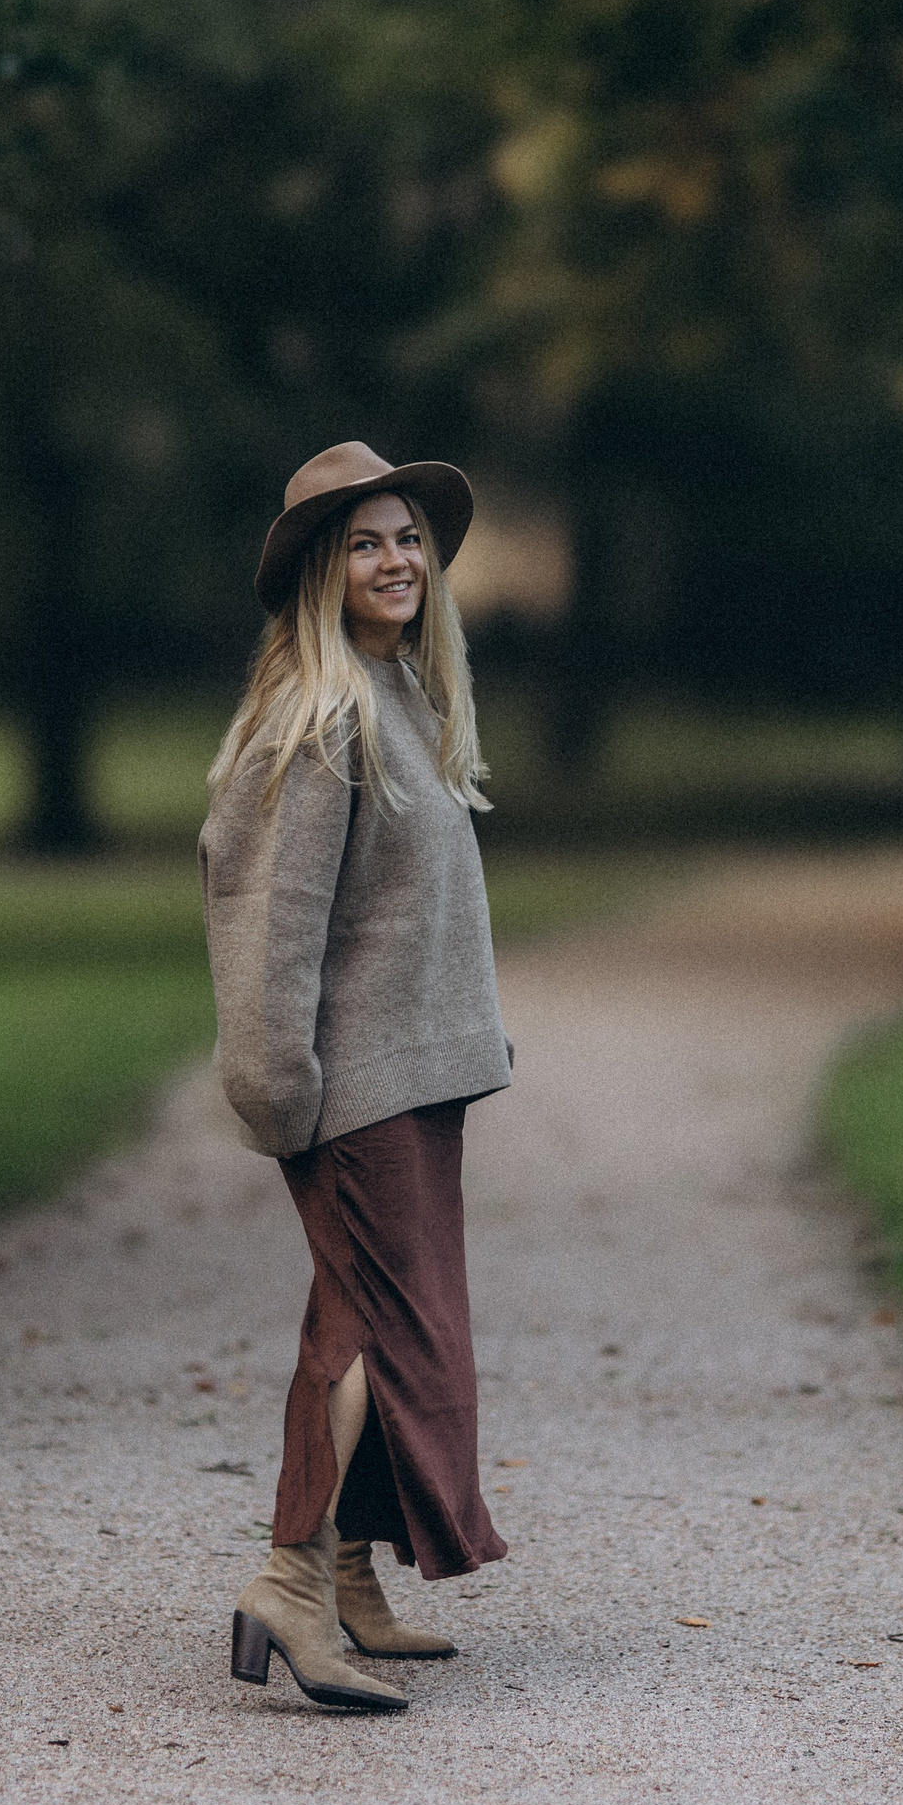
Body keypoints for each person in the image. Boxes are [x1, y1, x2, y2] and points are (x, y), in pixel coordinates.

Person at [199, 439, 513, 1714]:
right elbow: (271, 922)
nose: (397, 561)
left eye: (408, 539)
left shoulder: (400, 701)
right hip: (349, 1091)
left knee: (383, 1325)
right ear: (323, 573)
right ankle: (290, 1580)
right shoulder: (319, 721)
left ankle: (345, 1573)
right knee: (378, 1332)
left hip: (411, 1082)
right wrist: (280, 1088)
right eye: (367, 544)